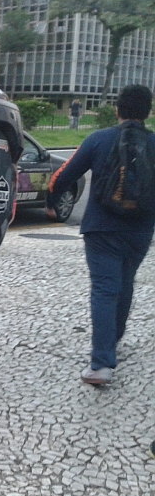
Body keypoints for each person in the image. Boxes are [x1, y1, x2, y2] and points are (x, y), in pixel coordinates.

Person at [47, 84, 155, 385]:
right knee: (124, 283)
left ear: (118, 110)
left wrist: (52, 204)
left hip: (101, 229)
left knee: (105, 288)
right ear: (148, 113)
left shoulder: (99, 139)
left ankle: (102, 363)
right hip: (141, 230)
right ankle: (113, 340)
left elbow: (63, 176)